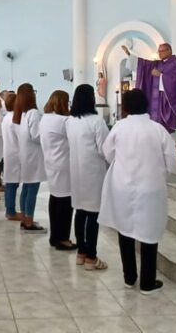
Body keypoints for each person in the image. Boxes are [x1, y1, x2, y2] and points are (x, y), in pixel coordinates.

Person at [99, 88, 176, 295]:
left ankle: (129, 277)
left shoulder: (119, 127)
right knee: (149, 233)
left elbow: (107, 153)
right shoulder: (157, 129)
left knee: (125, 230)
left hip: (123, 186)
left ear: (125, 107)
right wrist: (160, 174)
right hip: (151, 187)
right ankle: (147, 282)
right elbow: (171, 160)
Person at [66, 84, 109, 271]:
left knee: (80, 210)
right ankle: (91, 256)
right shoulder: (96, 121)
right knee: (93, 213)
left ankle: (81, 252)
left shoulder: (70, 121)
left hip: (76, 171)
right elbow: (105, 149)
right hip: (93, 172)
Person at [121, 43, 176, 132]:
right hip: (157, 101)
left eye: (162, 51)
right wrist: (128, 54)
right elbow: (143, 64)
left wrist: (161, 76)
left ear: (169, 51)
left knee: (166, 131)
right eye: (159, 51)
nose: (160, 53)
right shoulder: (157, 64)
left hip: (167, 101)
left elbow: (175, 83)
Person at [40, 90, 75, 249]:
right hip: (63, 164)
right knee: (65, 203)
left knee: (54, 198)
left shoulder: (45, 118)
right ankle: (63, 238)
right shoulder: (64, 121)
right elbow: (76, 137)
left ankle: (55, 236)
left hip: (51, 162)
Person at [13, 83, 47, 232]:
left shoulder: (23, 113)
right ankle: (29, 222)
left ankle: (25, 219)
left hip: (26, 155)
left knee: (26, 187)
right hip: (33, 156)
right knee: (32, 188)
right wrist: (47, 133)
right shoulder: (33, 113)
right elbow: (36, 136)